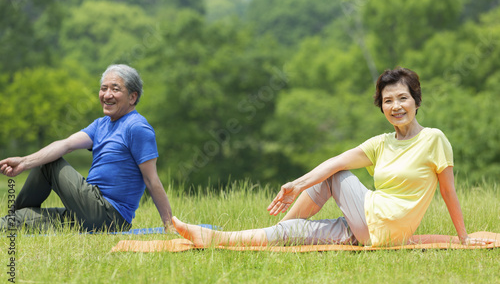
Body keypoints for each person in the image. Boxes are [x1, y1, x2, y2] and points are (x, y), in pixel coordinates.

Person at [172, 67, 493, 247]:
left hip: (385, 224)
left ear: (416, 100)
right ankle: (220, 237)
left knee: (336, 173)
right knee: (295, 232)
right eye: (387, 100)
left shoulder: (433, 139)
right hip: (369, 225)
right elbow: (336, 160)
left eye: (402, 98)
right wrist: (297, 185)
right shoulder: (381, 143)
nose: (395, 106)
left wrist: (463, 237)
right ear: (381, 106)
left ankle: (270, 229)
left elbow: (448, 192)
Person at [0, 64, 173, 233]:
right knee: (19, 219)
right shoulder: (101, 124)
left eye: (115, 89)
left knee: (48, 162)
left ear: (132, 97)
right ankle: (10, 219)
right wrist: (23, 161)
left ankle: (11, 216)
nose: (107, 95)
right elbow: (66, 144)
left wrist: (169, 225)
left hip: (109, 215)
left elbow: (152, 180)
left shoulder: (137, 127)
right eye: (103, 88)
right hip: (88, 210)